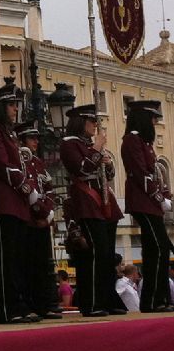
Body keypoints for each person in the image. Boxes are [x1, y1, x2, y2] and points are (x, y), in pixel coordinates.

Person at [0, 83, 40, 324]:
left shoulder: (8, 133)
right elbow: (2, 164)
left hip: (14, 200)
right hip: (2, 197)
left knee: (16, 258)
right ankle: (6, 307)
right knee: (6, 258)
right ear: (0, 107)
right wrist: (25, 186)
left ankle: (18, 304)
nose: (15, 109)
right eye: (11, 105)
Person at [60, 104, 125, 317]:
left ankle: (107, 298)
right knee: (95, 254)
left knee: (106, 255)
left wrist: (105, 162)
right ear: (81, 121)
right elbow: (82, 169)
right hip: (87, 201)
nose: (95, 125)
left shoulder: (89, 144)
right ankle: (94, 301)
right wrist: (97, 150)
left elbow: (109, 173)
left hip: (104, 201)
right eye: (92, 121)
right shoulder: (69, 144)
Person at [121, 99, 173, 313]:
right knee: (159, 249)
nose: (154, 122)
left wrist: (163, 196)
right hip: (143, 201)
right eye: (152, 118)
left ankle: (158, 298)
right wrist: (160, 198)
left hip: (150, 202)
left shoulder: (144, 144)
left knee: (157, 250)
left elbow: (157, 174)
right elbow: (141, 174)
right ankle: (153, 299)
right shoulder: (132, 141)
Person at [14, 121, 61, 320]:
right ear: (22, 140)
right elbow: (25, 190)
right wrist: (39, 211)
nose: (36, 142)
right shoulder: (20, 160)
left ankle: (45, 304)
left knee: (44, 266)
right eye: (32, 138)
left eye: (36, 138)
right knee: (28, 266)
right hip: (28, 220)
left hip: (42, 220)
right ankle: (30, 304)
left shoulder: (39, 163)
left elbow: (49, 188)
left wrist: (49, 213)